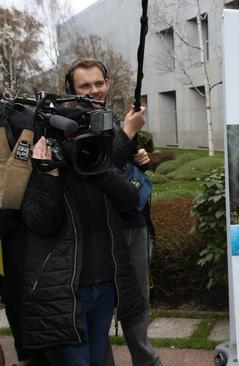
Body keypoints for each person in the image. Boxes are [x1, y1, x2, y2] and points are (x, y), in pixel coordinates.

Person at [63, 58, 161, 366]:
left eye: (99, 83)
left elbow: (121, 165)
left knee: (137, 304)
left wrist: (140, 157)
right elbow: (102, 170)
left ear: (107, 83)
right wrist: (128, 133)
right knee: (100, 308)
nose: (94, 90)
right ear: (72, 90)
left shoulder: (111, 120)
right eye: (85, 86)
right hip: (103, 231)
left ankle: (144, 360)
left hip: (135, 224)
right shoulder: (69, 128)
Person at [21, 131, 144, 366]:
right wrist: (48, 173)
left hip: (104, 288)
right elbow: (41, 224)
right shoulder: (43, 163)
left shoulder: (97, 159)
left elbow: (131, 200)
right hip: (61, 295)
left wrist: (100, 167)